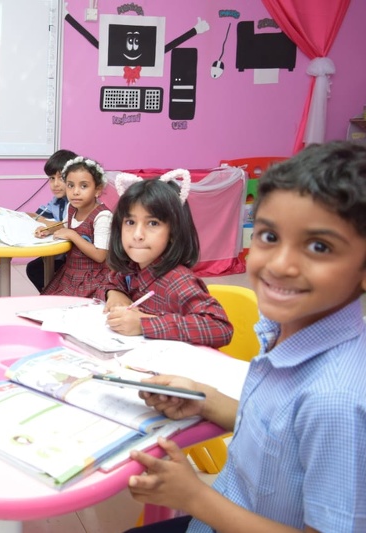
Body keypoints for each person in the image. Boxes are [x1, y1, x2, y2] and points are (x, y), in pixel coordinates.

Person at [123, 141, 366, 532]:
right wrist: (204, 400)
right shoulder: (286, 332)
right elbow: (279, 434)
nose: (280, 265)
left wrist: (194, 498)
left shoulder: (336, 399)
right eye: (269, 237)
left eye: (319, 246)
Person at [100, 170, 232, 348]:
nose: (137, 235)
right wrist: (115, 293)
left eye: (153, 223)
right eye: (130, 222)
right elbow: (111, 281)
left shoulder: (178, 280)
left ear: (174, 232)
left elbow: (219, 327)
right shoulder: (132, 266)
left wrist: (144, 324)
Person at [38, 155, 112, 297]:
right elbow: (65, 224)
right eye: (71, 185)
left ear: (98, 190)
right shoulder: (72, 207)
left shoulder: (103, 216)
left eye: (83, 186)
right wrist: (49, 229)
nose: (75, 192)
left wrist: (72, 235)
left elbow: (100, 255)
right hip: (71, 272)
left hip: (93, 278)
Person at [25, 149, 78, 292]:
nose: (55, 184)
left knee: (36, 269)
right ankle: (50, 296)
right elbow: (39, 216)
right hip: (60, 254)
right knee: (34, 269)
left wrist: (49, 225)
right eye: (52, 178)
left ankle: (54, 296)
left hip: (73, 258)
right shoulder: (57, 200)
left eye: (61, 178)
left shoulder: (76, 202)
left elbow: (64, 225)